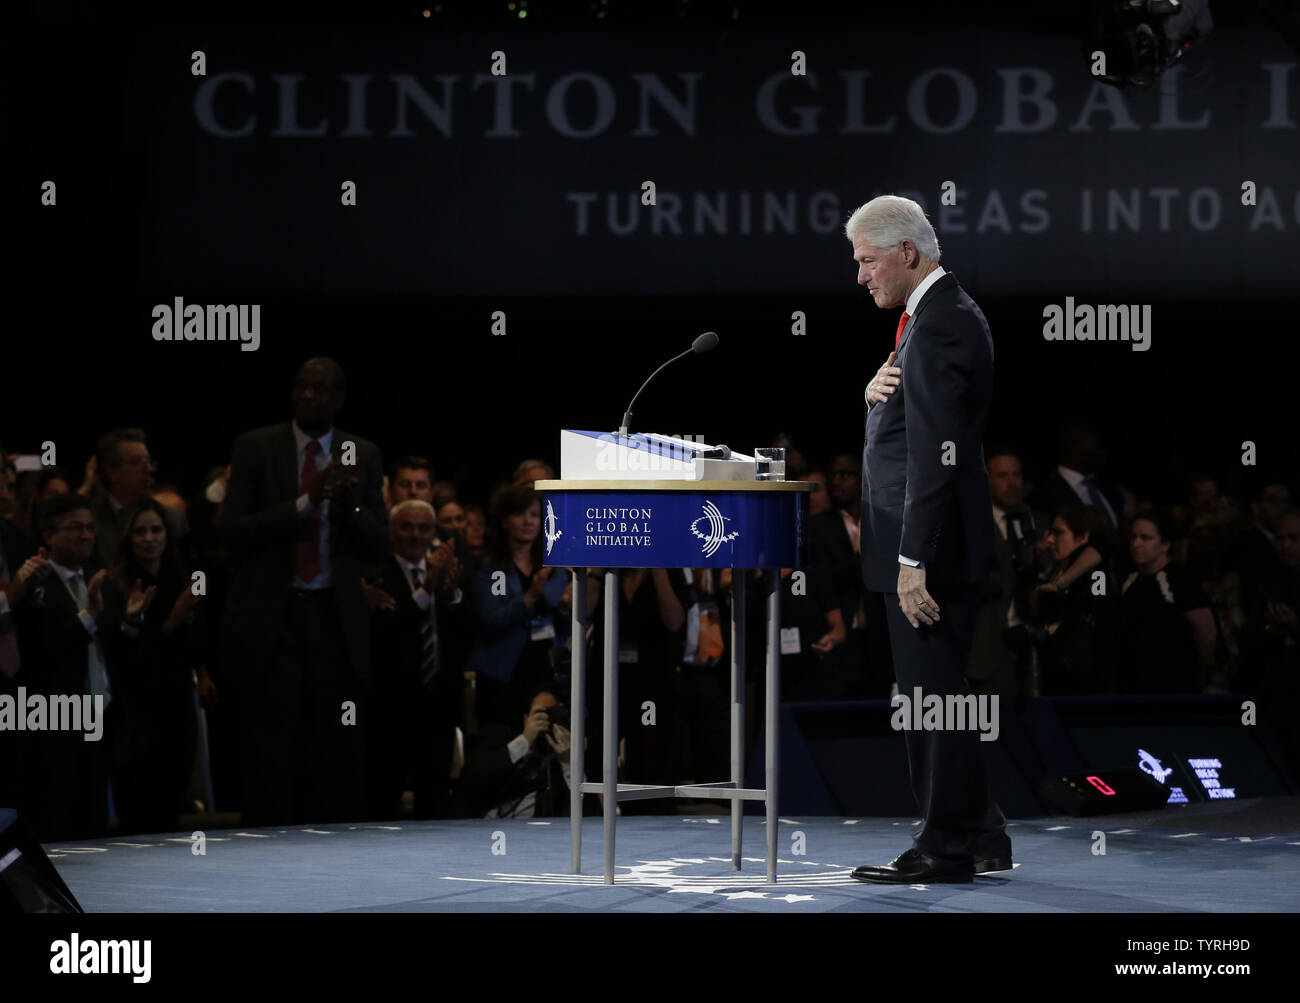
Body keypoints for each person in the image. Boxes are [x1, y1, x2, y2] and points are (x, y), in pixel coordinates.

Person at [846, 194, 1009, 884]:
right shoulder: (930, 320)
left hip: (930, 552)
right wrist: (872, 399)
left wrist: (913, 559)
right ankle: (979, 833)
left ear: (907, 252)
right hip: (927, 545)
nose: (861, 276)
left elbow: (935, 453)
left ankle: (942, 847)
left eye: (868, 260)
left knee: (929, 700)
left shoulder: (940, 323)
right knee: (941, 696)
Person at [222, 357, 387, 826]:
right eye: (302, 387)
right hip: (272, 619)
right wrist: (305, 502)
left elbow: (378, 543)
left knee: (334, 745)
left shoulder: (362, 453)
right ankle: (262, 853)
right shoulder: (256, 447)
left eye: (321, 389)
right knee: (270, 748)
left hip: (334, 621)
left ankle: (328, 854)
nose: (309, 396)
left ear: (339, 398)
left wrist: (348, 504)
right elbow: (232, 533)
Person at [8, 493, 112, 841]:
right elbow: (39, 652)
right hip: (52, 720)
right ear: (48, 536)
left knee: (93, 822)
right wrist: (89, 619)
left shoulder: (98, 579)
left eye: (89, 527)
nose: (85, 535)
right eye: (74, 528)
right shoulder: (34, 585)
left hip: (96, 716)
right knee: (57, 822)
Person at [98, 499, 203, 835]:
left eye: (156, 530)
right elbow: (121, 655)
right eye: (140, 531)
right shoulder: (114, 583)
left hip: (178, 704)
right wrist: (169, 619)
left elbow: (195, 643)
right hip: (135, 712)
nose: (149, 538)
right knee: (139, 813)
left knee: (171, 807)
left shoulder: (181, 575)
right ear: (127, 538)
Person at [364, 498, 465, 820]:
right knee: (384, 794)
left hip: (439, 699)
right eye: (406, 526)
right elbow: (388, 627)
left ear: (434, 532)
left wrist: (451, 594)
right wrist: (426, 588)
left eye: (423, 528)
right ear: (392, 531)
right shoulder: (375, 574)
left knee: (434, 796)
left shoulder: (452, 570)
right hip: (391, 702)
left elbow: (470, 630)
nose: (415, 535)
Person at [465, 483, 571, 731]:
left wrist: (566, 609)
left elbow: (565, 629)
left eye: (534, 515)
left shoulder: (553, 567)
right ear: (503, 521)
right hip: (502, 675)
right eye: (518, 514)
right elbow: (491, 623)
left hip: (546, 673)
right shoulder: (491, 568)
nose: (527, 521)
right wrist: (531, 596)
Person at [1116, 508, 1217, 693]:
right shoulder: (1127, 582)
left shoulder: (1180, 580)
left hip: (1174, 685)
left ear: (1165, 544)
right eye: (1133, 537)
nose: (1137, 544)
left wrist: (1199, 673)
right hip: (1135, 686)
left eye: (1146, 538)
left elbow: (1206, 631)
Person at [89, 429, 187, 572]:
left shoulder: (172, 518)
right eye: (136, 462)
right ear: (111, 471)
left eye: (148, 461)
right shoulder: (90, 523)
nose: (148, 469)